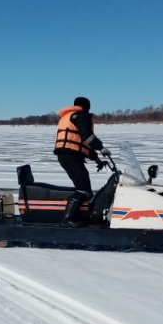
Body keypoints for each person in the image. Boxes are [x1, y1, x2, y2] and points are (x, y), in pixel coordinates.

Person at [54, 96, 111, 227]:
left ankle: (85, 215)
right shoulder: (80, 116)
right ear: (87, 107)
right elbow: (88, 136)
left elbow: (81, 143)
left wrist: (96, 159)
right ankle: (67, 220)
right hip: (69, 156)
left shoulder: (71, 116)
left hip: (69, 155)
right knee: (82, 189)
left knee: (86, 188)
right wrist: (101, 148)